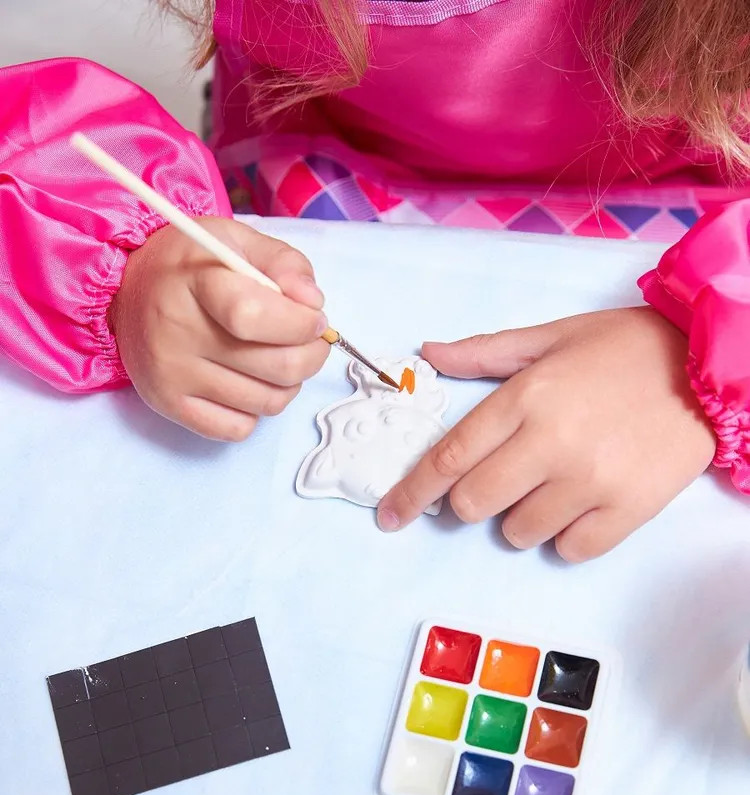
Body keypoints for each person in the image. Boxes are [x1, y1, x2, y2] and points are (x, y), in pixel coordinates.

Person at [0, 0, 748, 562]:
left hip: (704, 224)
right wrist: (126, 268)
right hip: (306, 175)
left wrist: (704, 357)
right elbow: (42, 146)